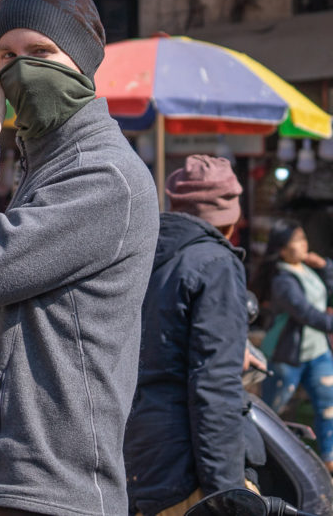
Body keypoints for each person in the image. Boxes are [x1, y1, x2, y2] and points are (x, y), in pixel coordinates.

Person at [0, 0, 159, 515]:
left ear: (82, 59)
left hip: (51, 492)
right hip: (11, 485)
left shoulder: (101, 177)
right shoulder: (48, 168)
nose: (22, 69)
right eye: (6, 55)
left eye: (42, 51)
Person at [125, 155, 262, 516]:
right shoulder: (215, 263)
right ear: (231, 219)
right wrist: (228, 493)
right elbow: (214, 385)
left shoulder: (140, 253)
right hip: (187, 474)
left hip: (138, 464)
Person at [257, 219, 333, 471]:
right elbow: (305, 312)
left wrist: (325, 266)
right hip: (286, 356)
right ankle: (266, 463)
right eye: (297, 240)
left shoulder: (308, 269)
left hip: (318, 352)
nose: (304, 244)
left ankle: (329, 461)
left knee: (328, 406)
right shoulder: (282, 279)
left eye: (303, 238)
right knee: (273, 413)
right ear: (282, 249)